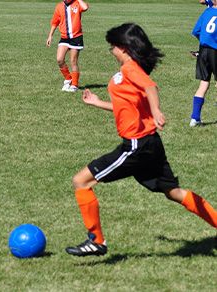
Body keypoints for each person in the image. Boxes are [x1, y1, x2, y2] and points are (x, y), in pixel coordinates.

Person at [65, 23, 217, 257]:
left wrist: (156, 110)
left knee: (81, 181)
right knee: (174, 192)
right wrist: (97, 102)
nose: (111, 51)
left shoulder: (130, 68)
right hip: (150, 143)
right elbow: (126, 106)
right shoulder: (126, 71)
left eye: (112, 47)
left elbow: (151, 87)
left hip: (137, 145)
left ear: (124, 48)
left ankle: (96, 241)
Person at [46, 0, 89, 92]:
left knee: (73, 61)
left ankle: (74, 85)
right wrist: (50, 36)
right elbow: (55, 22)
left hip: (76, 37)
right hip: (64, 38)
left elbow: (85, 7)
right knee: (59, 59)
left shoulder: (77, 4)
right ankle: (69, 78)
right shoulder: (59, 6)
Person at [189, 0, 217, 127]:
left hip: (203, 50)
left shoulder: (207, 12)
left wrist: (205, 41)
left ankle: (194, 118)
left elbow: (196, 31)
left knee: (204, 83)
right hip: (215, 51)